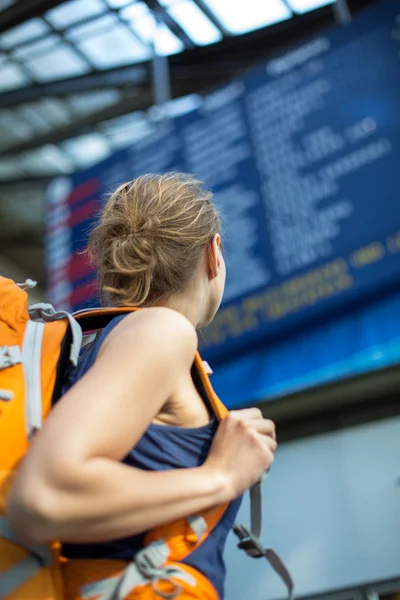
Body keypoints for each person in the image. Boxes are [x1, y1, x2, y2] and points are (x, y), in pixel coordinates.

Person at [6, 173, 277, 599]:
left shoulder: (100, 344)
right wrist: (221, 476)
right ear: (214, 253)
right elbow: (43, 497)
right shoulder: (161, 330)